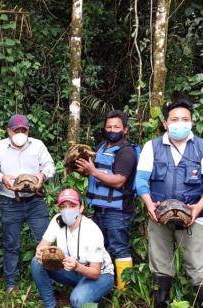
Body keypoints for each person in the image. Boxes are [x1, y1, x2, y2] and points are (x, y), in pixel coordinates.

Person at [135, 98, 203, 308]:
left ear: (192, 122)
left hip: (195, 217)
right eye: (174, 119)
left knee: (199, 269)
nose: (180, 123)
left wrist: (198, 207)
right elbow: (140, 179)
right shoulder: (152, 147)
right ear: (165, 123)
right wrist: (149, 204)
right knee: (160, 267)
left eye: (185, 119)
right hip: (158, 216)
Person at [0, 114, 56, 293]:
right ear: (9, 131)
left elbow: (50, 166)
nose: (20, 133)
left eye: (24, 129)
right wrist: (2, 177)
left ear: (28, 130)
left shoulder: (37, 145)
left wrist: (42, 175)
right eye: (16, 130)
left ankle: (49, 280)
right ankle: (11, 283)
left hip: (35, 200)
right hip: (10, 201)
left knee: (44, 241)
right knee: (11, 244)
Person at [75, 110, 138, 290]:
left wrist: (93, 171)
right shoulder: (102, 147)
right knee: (99, 248)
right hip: (99, 209)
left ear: (125, 129)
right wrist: (84, 169)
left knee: (119, 249)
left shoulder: (126, 152)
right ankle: (103, 287)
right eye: (109, 126)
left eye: (117, 127)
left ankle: (123, 290)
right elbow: (97, 173)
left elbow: (119, 181)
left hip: (118, 211)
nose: (112, 130)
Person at [31, 188, 115, 308]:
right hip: (73, 270)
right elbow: (42, 246)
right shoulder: (57, 220)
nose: (67, 210)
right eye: (63, 206)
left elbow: (95, 272)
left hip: (101, 275)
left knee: (78, 300)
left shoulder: (92, 230)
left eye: (72, 205)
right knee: (37, 262)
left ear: (81, 207)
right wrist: (41, 252)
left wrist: (77, 266)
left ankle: (91, 299)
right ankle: (51, 305)